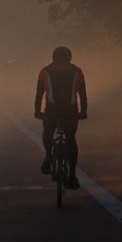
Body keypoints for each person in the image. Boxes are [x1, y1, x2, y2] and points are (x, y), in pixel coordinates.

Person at [35, 46, 87, 190]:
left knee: (47, 133)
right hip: (70, 111)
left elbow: (39, 93)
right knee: (70, 139)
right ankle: (71, 177)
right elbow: (82, 94)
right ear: (70, 58)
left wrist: (37, 111)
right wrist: (84, 112)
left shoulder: (45, 71)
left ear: (53, 57)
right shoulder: (77, 71)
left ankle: (49, 157)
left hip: (52, 110)